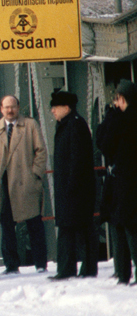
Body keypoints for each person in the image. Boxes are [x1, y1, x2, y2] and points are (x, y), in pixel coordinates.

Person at [0, 95, 48, 274]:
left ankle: (40, 264)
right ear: (1, 109)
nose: (10, 110)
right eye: (6, 107)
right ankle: (11, 265)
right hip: (3, 185)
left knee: (34, 223)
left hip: (26, 183)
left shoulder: (30, 125)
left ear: (18, 107)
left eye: (13, 107)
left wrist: (34, 175)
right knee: (7, 226)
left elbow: (41, 151)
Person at [48, 90, 97, 280]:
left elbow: (78, 158)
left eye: (55, 107)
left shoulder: (75, 125)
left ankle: (78, 268)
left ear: (66, 108)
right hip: (69, 187)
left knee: (78, 228)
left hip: (75, 188)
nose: (52, 111)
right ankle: (71, 268)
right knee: (70, 228)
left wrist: (71, 185)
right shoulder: (67, 124)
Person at [96, 79, 137, 284]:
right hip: (131, 180)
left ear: (121, 99)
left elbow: (103, 143)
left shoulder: (120, 120)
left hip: (123, 181)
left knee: (124, 226)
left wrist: (108, 117)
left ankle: (123, 273)